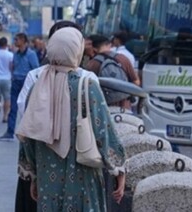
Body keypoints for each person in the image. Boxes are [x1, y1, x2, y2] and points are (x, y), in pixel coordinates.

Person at [17, 27, 126, 210]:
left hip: (47, 179)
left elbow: (28, 138)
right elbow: (104, 131)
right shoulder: (88, 85)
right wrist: (119, 170)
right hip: (84, 178)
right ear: (77, 50)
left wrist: (34, 176)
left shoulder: (38, 87)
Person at [0, 33, 39, 141]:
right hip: (16, 81)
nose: (15, 41)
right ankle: (10, 131)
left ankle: (28, 132)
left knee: (27, 108)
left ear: (23, 41)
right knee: (13, 108)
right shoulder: (15, 54)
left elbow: (36, 69)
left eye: (17, 40)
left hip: (26, 82)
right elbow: (13, 66)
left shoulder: (31, 54)